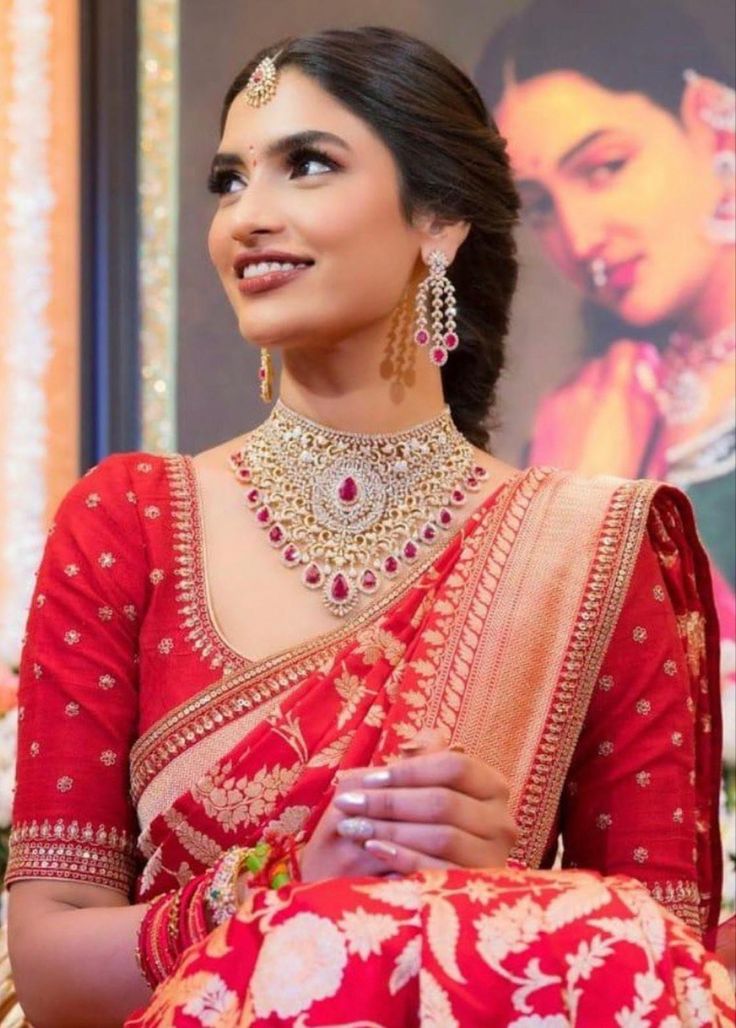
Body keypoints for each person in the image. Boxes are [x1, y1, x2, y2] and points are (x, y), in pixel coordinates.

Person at [5, 26, 734, 1028]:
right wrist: (289, 886)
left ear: (437, 219)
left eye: (305, 165)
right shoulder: (126, 519)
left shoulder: (595, 549)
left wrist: (486, 906)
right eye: (228, 181)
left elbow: (664, 964)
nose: (247, 218)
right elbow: (48, 969)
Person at [475, 0, 735, 699]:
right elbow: (521, 708)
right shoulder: (581, 417)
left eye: (604, 166)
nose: (581, 239)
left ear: (710, 120)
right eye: (542, 206)